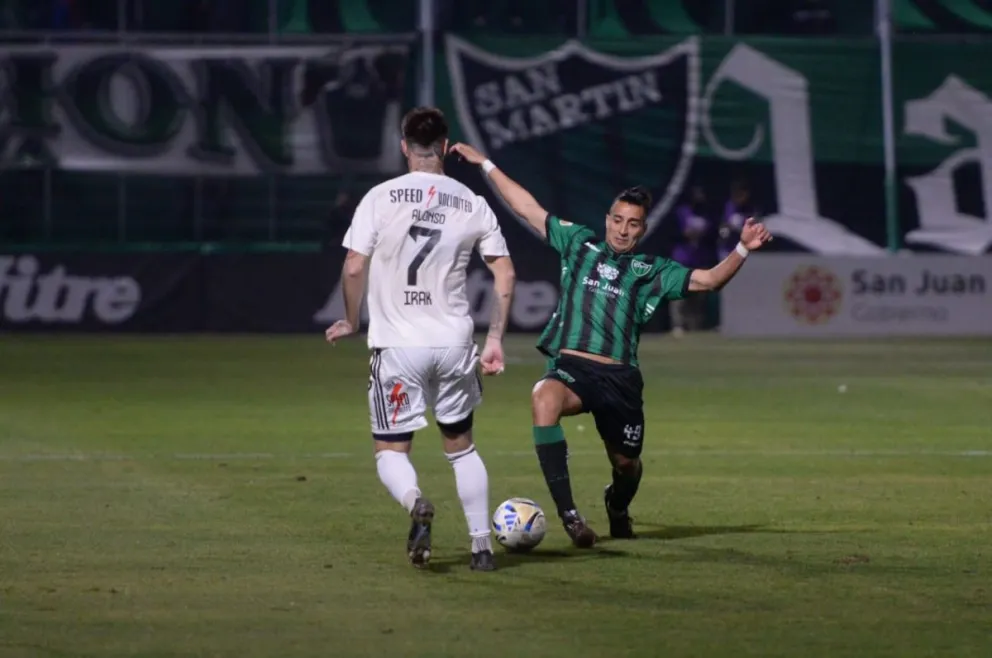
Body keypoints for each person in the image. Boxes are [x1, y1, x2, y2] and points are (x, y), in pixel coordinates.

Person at [450, 142, 772, 547]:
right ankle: (570, 517)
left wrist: (742, 249)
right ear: (606, 220)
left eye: (632, 223)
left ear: (642, 229)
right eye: (617, 220)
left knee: (627, 466)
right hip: (572, 370)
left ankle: (617, 506)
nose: (622, 229)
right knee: (543, 398)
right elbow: (527, 208)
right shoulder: (579, 245)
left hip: (619, 379)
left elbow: (709, 280)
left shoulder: (652, 270)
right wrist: (486, 164)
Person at [325, 108, 516, 571]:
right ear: (446, 147)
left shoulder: (379, 197)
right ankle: (482, 547)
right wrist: (494, 338)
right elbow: (505, 273)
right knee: (462, 445)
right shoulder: (472, 202)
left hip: (397, 346)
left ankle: (416, 504)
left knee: (391, 449)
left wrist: (351, 320)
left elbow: (353, 266)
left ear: (404, 146)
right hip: (453, 342)